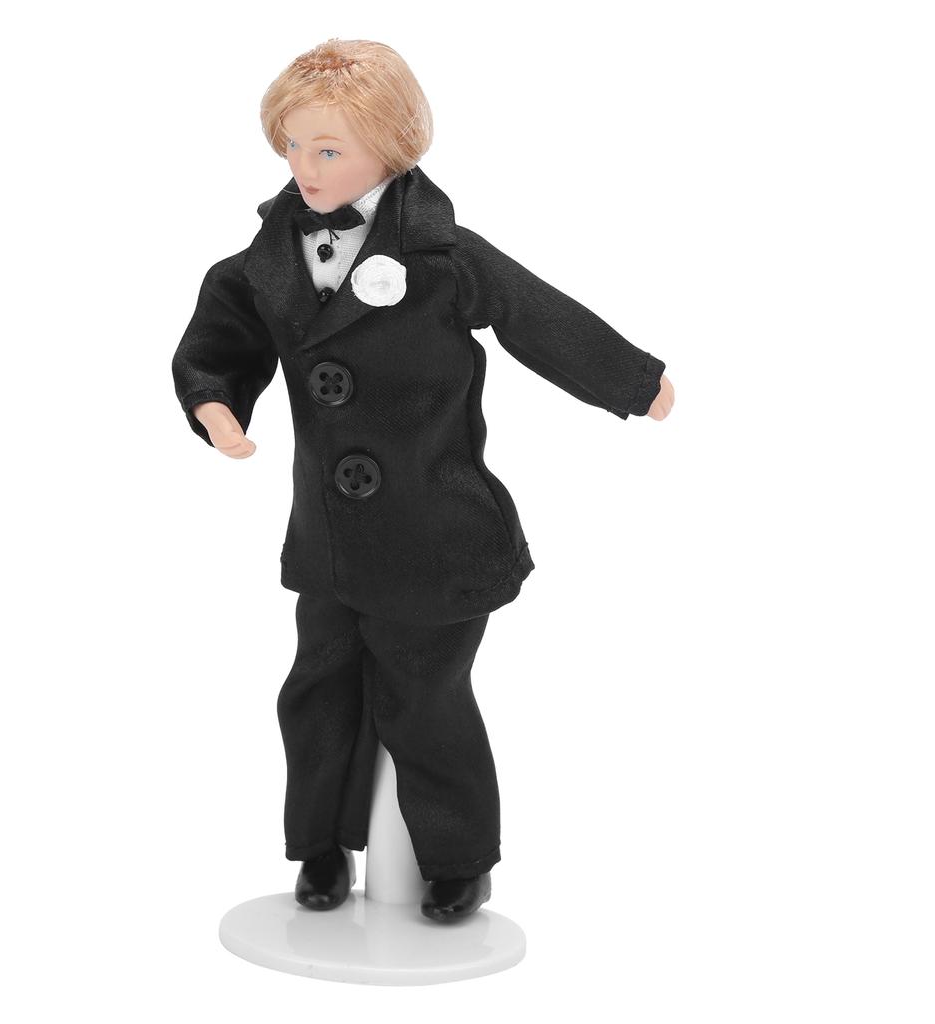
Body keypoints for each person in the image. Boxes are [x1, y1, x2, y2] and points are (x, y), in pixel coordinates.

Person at [172, 38, 675, 922]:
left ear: (391, 145)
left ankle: (457, 857)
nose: (305, 168)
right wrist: (217, 405)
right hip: (329, 540)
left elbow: (534, 313)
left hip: (435, 531)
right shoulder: (270, 255)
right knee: (316, 692)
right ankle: (320, 847)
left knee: (423, 698)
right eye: (292, 146)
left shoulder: (442, 258)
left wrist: (632, 382)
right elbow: (222, 333)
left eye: (328, 149)